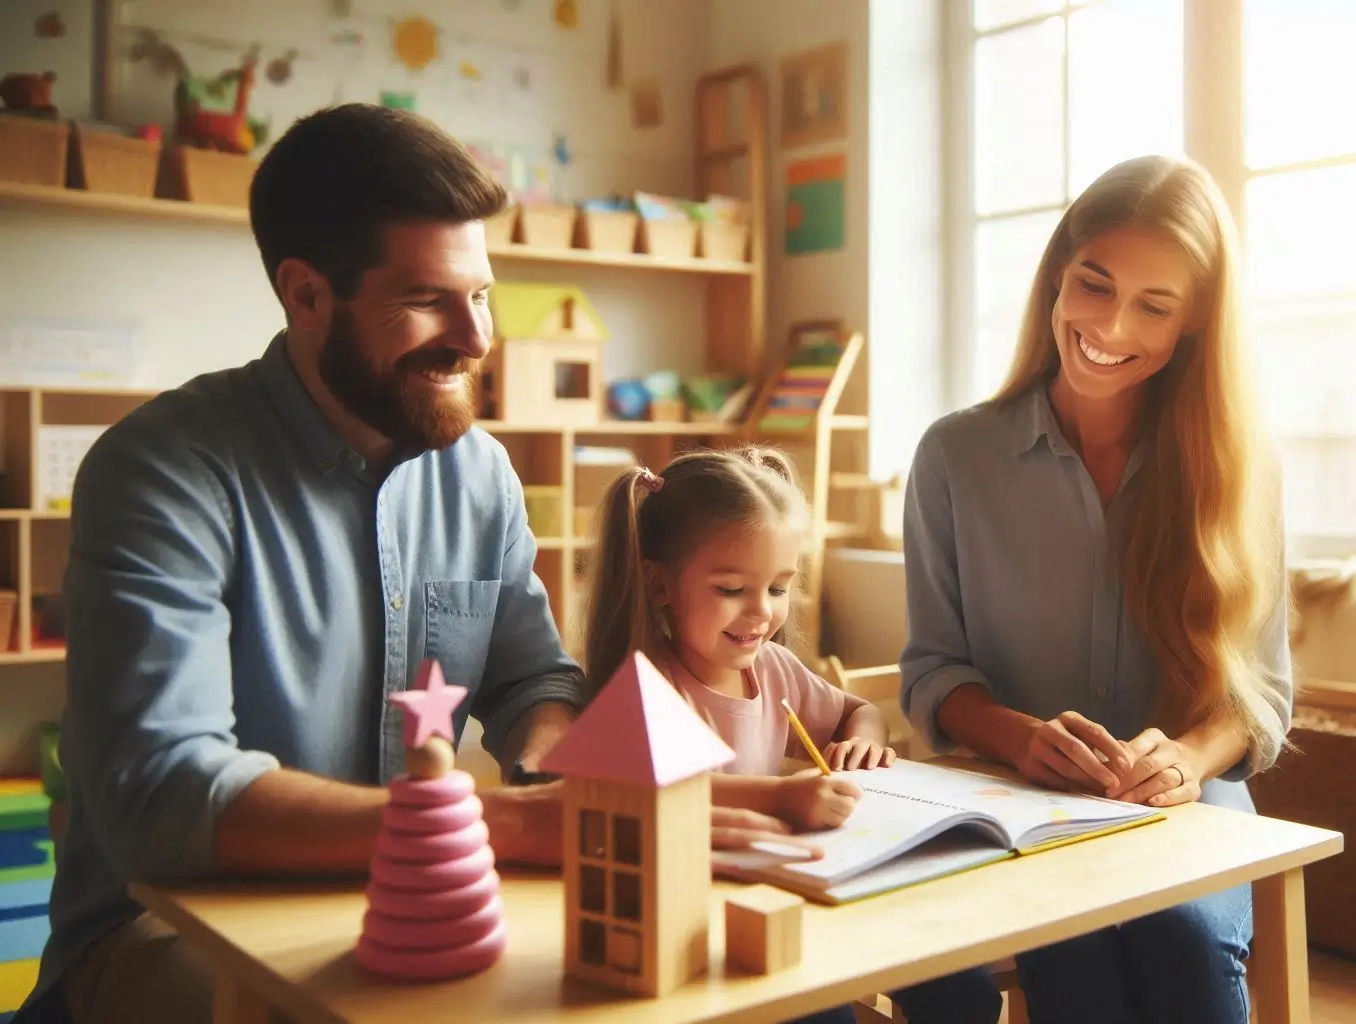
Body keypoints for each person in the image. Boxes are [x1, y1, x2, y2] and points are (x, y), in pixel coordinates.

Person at [14, 103, 810, 1024]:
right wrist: (510, 823)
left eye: (481, 295)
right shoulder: (162, 470)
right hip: (166, 926)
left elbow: (531, 680)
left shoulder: (481, 477)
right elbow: (163, 794)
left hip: (429, 891)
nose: (476, 339)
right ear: (307, 295)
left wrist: (570, 788)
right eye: (428, 300)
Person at [899, 153, 1295, 1024]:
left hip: (1191, 808)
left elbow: (1260, 694)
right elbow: (933, 671)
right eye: (1095, 284)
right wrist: (1018, 737)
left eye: (1155, 305)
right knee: (1075, 955)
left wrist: (1187, 760)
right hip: (1024, 807)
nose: (1111, 325)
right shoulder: (954, 458)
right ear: (1056, 276)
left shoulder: (1239, 469)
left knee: (1183, 941)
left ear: (1193, 323)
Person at [581, 446, 1003, 1024]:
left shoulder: (770, 670)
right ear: (658, 586)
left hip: (801, 885)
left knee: (963, 987)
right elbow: (669, 797)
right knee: (819, 1012)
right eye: (732, 590)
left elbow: (861, 711)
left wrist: (865, 740)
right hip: (704, 916)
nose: (761, 613)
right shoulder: (648, 690)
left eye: (778, 588)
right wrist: (782, 797)